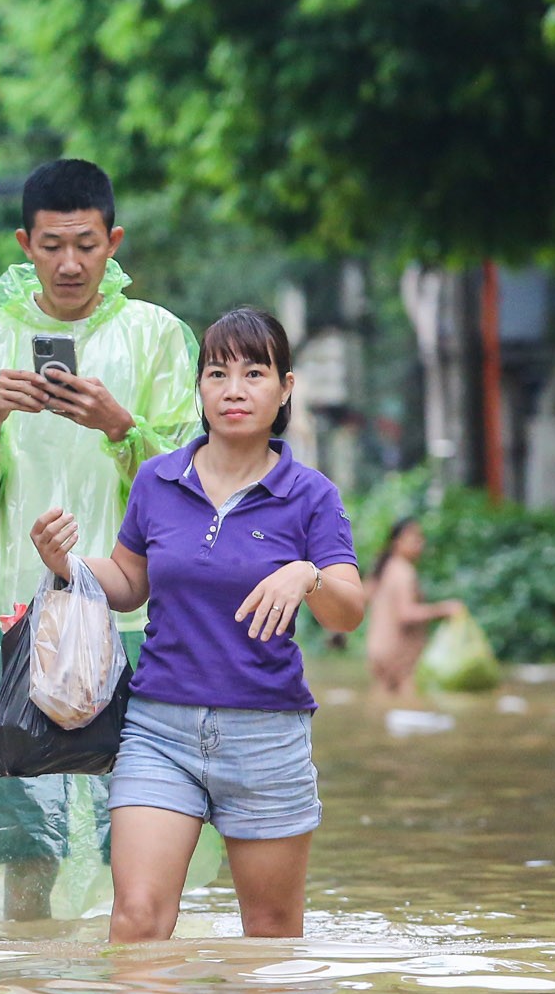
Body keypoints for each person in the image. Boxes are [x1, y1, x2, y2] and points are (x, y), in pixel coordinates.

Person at [0, 158, 206, 921]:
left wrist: (121, 427)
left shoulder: (158, 338)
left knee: (139, 840)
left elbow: (196, 489)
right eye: (50, 245)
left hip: (137, 619)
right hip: (9, 621)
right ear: (23, 243)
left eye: (85, 242)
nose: (69, 263)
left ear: (114, 240)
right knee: (27, 853)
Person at [31, 307, 365, 942]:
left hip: (267, 736)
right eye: (217, 372)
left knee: (269, 934)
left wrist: (308, 575)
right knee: (135, 922)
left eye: (254, 372)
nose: (233, 389)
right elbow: (130, 585)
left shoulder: (311, 494)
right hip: (160, 730)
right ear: (200, 388)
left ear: (286, 387)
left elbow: (349, 607)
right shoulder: (158, 479)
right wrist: (67, 564)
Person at [363, 517, 464, 699]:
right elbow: (406, 613)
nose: (421, 544)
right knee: (409, 704)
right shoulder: (404, 572)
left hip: (377, 650)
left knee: (382, 703)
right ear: (397, 542)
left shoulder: (382, 567)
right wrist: (444, 609)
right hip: (399, 655)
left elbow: (361, 598)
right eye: (415, 539)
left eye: (421, 539)